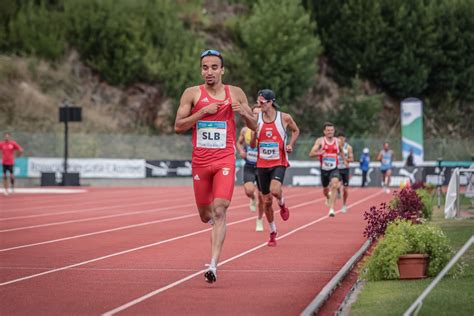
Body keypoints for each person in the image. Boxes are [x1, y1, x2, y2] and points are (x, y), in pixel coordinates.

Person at [174, 49, 257, 283]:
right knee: (205, 215)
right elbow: (178, 126)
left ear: (222, 70)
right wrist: (201, 112)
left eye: (213, 67)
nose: (209, 72)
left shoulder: (236, 93)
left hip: (224, 160)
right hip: (201, 162)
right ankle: (212, 223)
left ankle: (213, 265)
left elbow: (254, 127)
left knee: (220, 209)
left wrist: (244, 114)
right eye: (205, 67)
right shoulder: (192, 93)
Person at [252, 89, 300, 247]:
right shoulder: (256, 119)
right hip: (262, 164)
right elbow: (252, 145)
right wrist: (254, 133)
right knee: (266, 202)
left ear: (270, 101)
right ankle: (273, 232)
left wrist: (290, 144)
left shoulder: (284, 117)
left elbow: (296, 130)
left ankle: (282, 203)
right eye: (258, 102)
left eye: (262, 102)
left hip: (278, 162)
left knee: (275, 190)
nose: (259, 105)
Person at [236, 105, 265, 231]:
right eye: (254, 113)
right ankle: (252, 199)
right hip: (249, 165)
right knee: (249, 191)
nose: (256, 116)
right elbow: (238, 142)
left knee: (262, 197)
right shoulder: (245, 130)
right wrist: (241, 151)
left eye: (259, 114)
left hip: (263, 167)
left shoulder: (267, 129)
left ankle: (259, 220)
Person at [309, 122, 341, 217]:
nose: (330, 132)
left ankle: (331, 209)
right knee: (325, 191)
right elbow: (311, 154)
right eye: (328, 130)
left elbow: (342, 151)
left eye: (331, 130)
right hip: (324, 169)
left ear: (334, 131)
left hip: (334, 168)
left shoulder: (338, 141)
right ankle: (327, 198)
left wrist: (345, 160)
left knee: (335, 184)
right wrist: (319, 153)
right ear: (324, 131)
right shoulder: (320, 141)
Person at [337, 131, 353, 213]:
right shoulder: (335, 146)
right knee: (337, 184)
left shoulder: (348, 147)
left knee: (346, 190)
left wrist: (346, 160)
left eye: (342, 139)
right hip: (337, 168)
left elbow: (351, 159)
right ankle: (338, 191)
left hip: (345, 169)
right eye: (339, 139)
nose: (340, 141)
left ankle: (344, 205)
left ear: (344, 139)